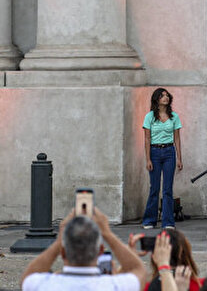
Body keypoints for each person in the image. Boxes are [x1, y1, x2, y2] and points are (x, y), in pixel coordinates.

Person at [21, 209, 146, 291]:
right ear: (100, 251)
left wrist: (59, 240)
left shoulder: (44, 285)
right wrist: (107, 233)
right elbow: (138, 269)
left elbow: (27, 278)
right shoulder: (115, 286)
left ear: (62, 252)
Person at [142, 88, 183, 230]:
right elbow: (147, 139)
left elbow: (177, 138)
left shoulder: (174, 117)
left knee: (167, 189)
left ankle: (168, 222)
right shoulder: (149, 117)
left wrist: (179, 158)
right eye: (162, 96)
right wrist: (148, 159)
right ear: (156, 99)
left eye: (167, 95)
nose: (165, 98)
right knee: (154, 187)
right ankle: (149, 220)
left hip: (169, 152)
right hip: (154, 151)